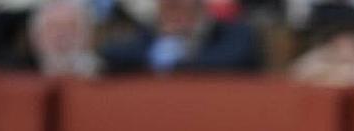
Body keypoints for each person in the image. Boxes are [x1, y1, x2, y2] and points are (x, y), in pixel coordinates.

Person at [100, 0, 261, 74]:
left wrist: (176, 63)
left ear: (199, 6)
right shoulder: (150, 37)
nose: (173, 10)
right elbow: (110, 53)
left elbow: (234, 60)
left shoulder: (231, 33)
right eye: (169, 8)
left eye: (179, 7)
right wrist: (158, 50)